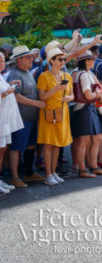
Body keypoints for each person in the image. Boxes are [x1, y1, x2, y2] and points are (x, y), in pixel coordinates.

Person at [6, 46, 46, 188]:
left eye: (31, 56)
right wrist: (36, 103)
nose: (31, 59)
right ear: (19, 59)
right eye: (28, 57)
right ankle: (14, 178)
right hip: (21, 118)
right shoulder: (15, 74)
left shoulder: (27, 72)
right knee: (16, 148)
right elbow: (16, 97)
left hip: (31, 117)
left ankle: (29, 173)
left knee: (30, 146)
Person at [37, 48, 74, 186]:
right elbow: (42, 97)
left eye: (64, 59)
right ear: (51, 60)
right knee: (48, 143)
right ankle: (48, 174)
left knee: (57, 144)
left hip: (63, 113)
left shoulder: (67, 76)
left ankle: (53, 172)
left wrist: (69, 97)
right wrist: (55, 90)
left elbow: (73, 95)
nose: (62, 62)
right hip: (49, 113)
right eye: (59, 59)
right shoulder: (44, 76)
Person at [70, 51, 102, 178]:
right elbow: (87, 94)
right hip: (84, 108)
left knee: (96, 138)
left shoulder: (89, 73)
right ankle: (83, 169)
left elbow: (98, 90)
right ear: (86, 61)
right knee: (84, 139)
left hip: (89, 108)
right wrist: (99, 96)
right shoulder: (84, 75)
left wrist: (99, 95)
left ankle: (94, 166)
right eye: (92, 59)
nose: (94, 60)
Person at [0, 51, 24, 195]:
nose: (3, 64)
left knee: (3, 150)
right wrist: (8, 92)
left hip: (5, 120)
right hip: (1, 120)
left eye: (3, 61)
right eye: (1, 61)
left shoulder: (2, 76)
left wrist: (10, 85)